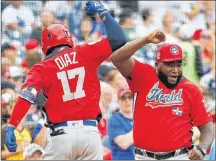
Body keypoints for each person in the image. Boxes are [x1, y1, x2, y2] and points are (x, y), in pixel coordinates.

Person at [5, 0, 126, 160]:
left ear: (46, 44)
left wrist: (12, 125)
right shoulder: (86, 52)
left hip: (61, 135)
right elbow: (119, 39)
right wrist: (103, 13)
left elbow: (27, 96)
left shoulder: (41, 67)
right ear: (69, 39)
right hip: (90, 134)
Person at [110, 30, 214, 160]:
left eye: (178, 64)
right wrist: (145, 40)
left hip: (179, 156)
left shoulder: (191, 89)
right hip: (144, 157)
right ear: (157, 65)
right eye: (169, 64)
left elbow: (207, 126)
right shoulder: (143, 75)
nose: (175, 70)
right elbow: (116, 58)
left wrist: (202, 148)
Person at [107, 86, 134, 160]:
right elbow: (124, 143)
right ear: (118, 101)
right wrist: (143, 127)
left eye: (130, 97)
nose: (127, 101)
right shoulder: (114, 120)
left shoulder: (140, 118)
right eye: (123, 98)